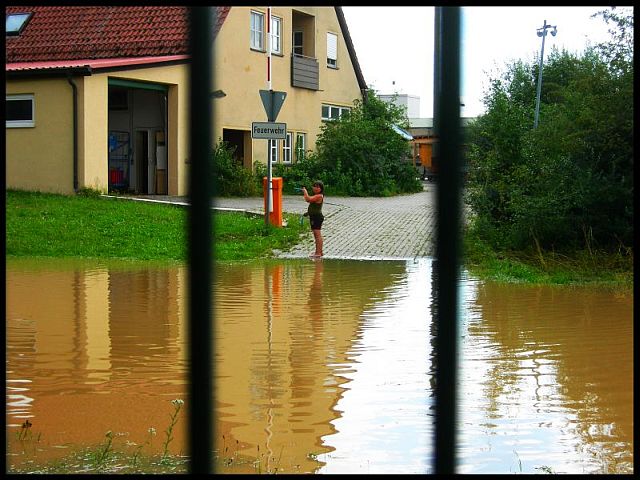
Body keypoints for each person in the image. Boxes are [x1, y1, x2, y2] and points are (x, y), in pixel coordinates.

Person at [301, 180, 324, 258]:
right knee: (316, 235)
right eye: (314, 186)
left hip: (317, 217)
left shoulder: (319, 196)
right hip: (314, 216)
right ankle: (320, 252)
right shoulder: (316, 195)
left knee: (317, 235)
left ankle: (318, 253)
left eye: (318, 187)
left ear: (321, 189)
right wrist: (308, 213)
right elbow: (314, 207)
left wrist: (305, 191)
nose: (316, 188)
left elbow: (308, 199)